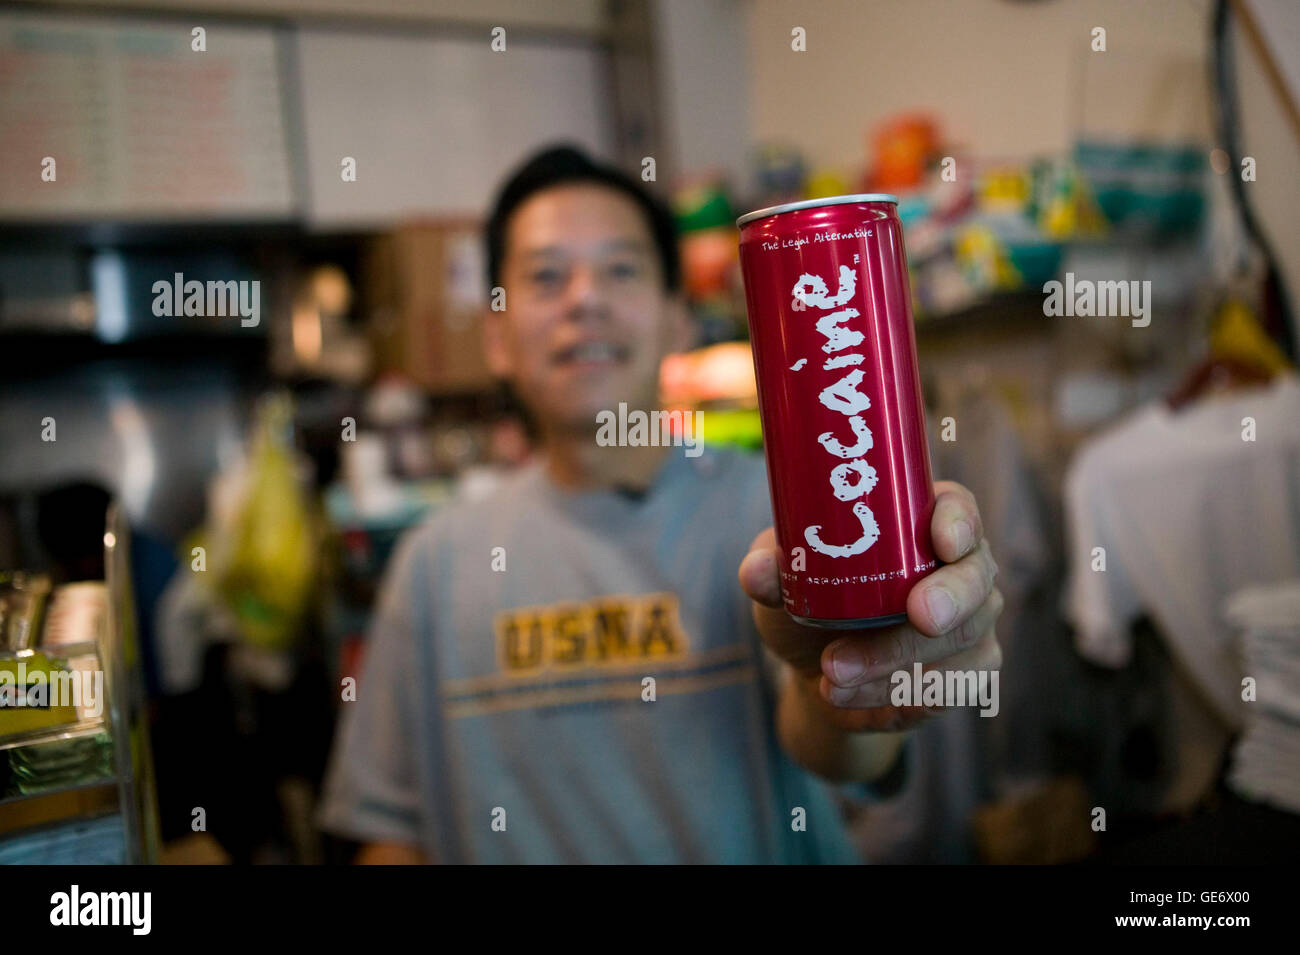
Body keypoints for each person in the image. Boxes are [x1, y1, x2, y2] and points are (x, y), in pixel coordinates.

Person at [317, 144, 1003, 863]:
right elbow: (391, 832)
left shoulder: (783, 520)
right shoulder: (433, 565)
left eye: (621, 269)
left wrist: (848, 681)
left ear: (679, 321)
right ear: (495, 335)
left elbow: (846, 751)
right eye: (547, 276)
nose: (585, 298)